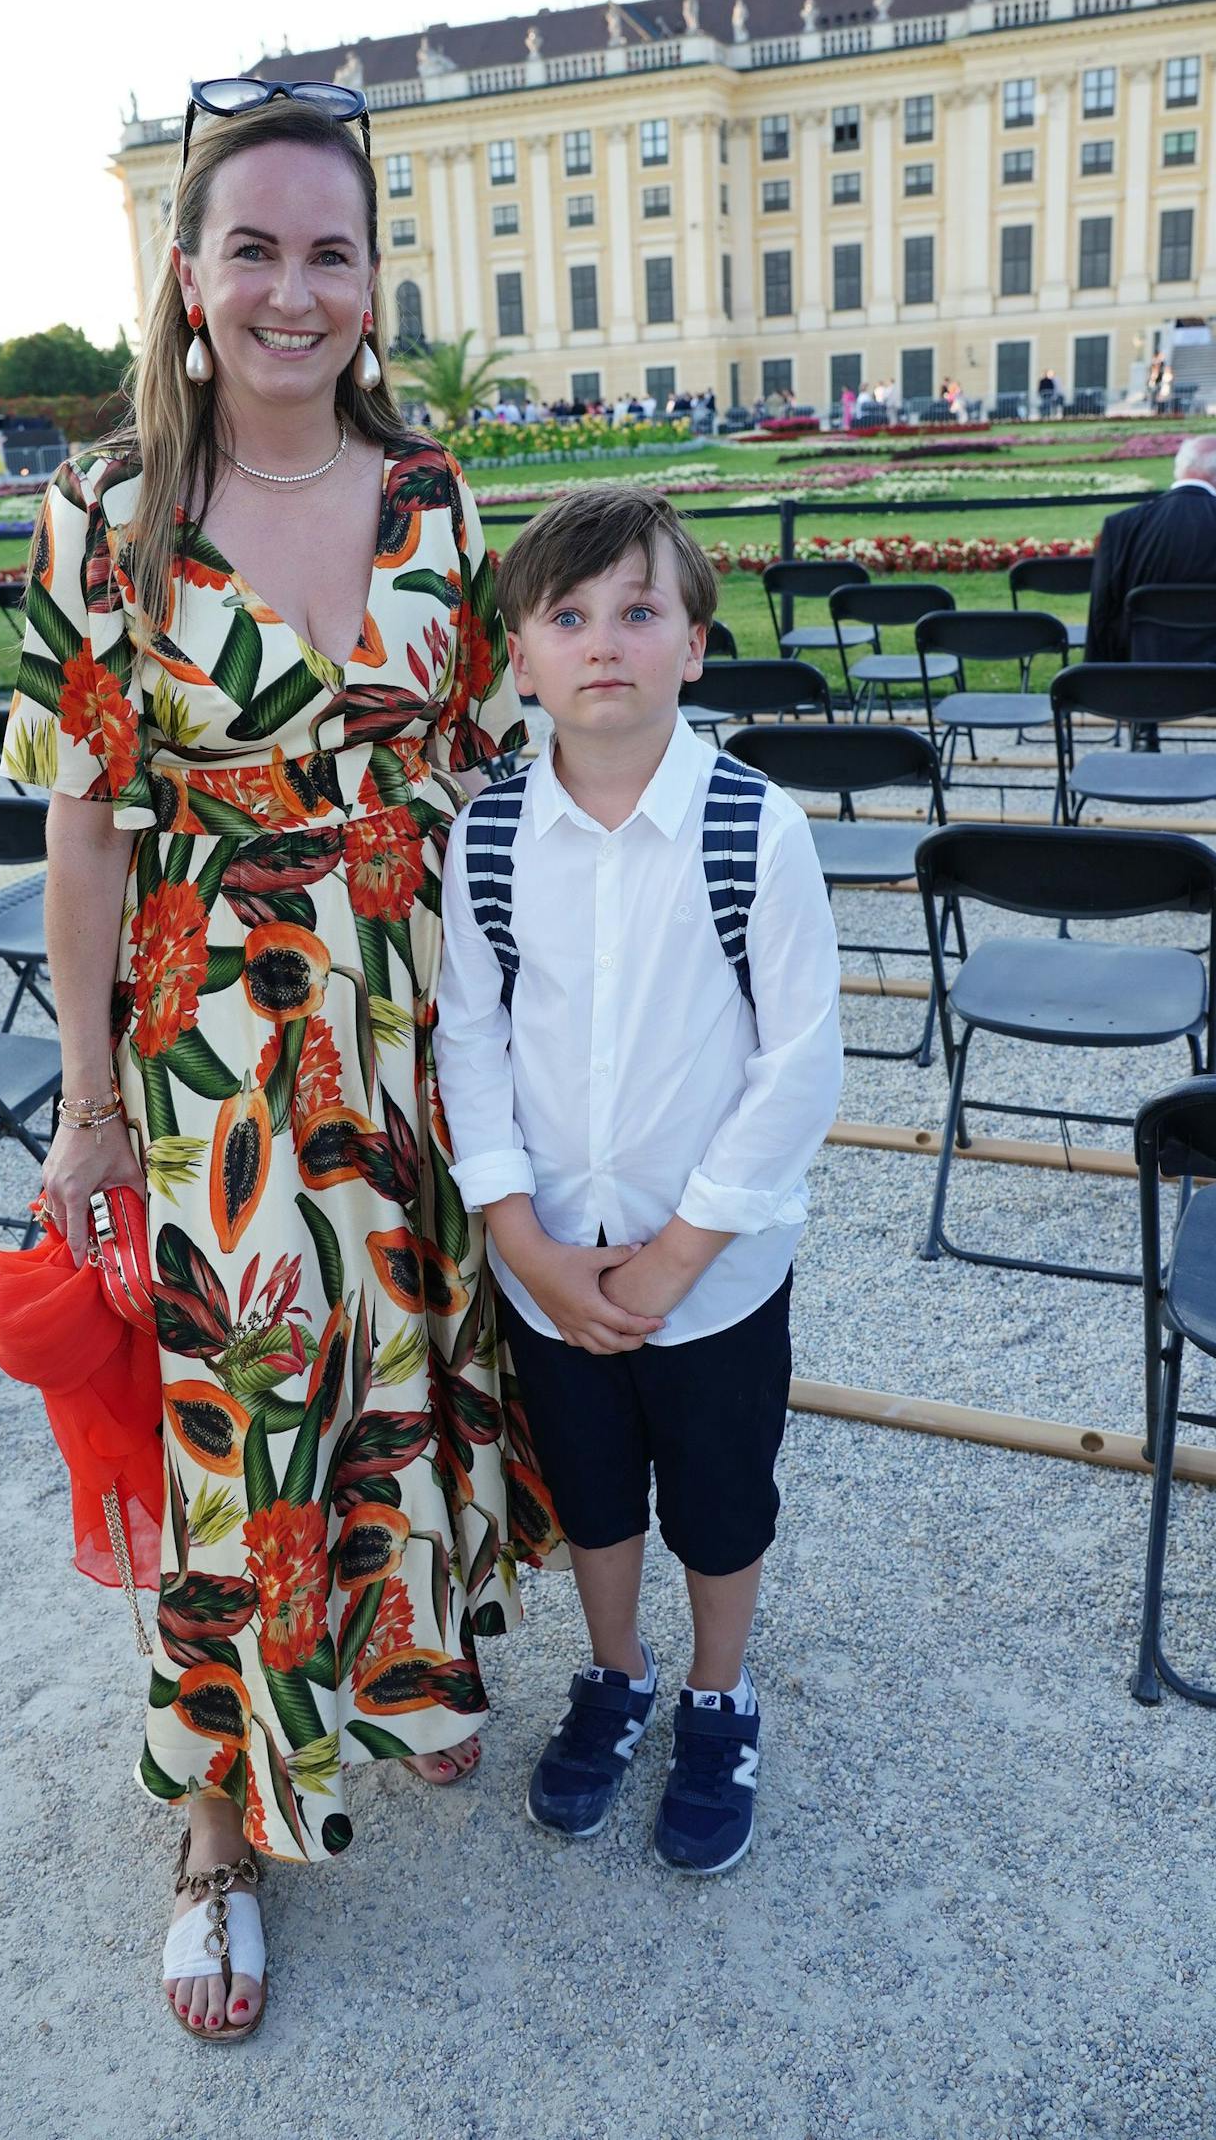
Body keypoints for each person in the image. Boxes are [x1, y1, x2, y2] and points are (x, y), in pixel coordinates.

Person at [0, 90, 546, 2043]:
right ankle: (216, 1833)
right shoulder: (106, 515)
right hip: (212, 1056)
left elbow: (478, 785)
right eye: (255, 248)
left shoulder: (437, 499)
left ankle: (396, 1678)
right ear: (186, 272)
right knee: (239, 1427)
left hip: (407, 1028)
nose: (293, 290)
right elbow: (79, 825)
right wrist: (80, 1112)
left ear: (375, 278)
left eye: (331, 251)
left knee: (411, 1373)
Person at [434, 485, 844, 1875]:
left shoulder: (753, 828)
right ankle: (614, 1670)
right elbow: (470, 1041)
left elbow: (798, 1063)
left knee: (721, 1498)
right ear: (521, 657)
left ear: (694, 644)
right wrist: (523, 1239)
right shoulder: (486, 839)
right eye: (568, 615)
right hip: (553, 1261)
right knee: (597, 1497)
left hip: (712, 1271)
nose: (603, 640)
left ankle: (719, 1693)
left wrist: (677, 1254)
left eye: (638, 609)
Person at [1086, 434, 1216, 679]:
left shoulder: (1121, 525)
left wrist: (1101, 682)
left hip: (1143, 676)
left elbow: (1102, 612)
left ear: (1179, 468)